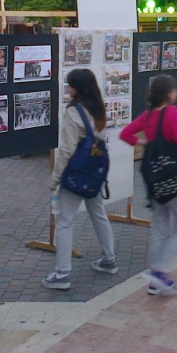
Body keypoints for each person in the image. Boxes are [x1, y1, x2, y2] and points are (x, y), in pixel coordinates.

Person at [120, 75, 177, 296]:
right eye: (174, 90)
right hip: (175, 178)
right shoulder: (172, 112)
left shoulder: (147, 117)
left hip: (154, 179)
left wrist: (145, 142)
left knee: (159, 227)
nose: (176, 94)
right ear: (168, 94)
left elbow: (125, 134)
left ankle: (154, 281)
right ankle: (159, 271)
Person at [44, 69, 117, 290]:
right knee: (98, 214)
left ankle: (62, 273)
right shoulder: (98, 109)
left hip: (76, 174)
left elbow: (67, 149)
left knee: (65, 222)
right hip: (95, 172)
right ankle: (109, 258)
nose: (67, 88)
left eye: (70, 85)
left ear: (77, 88)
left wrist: (55, 178)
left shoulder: (74, 111)